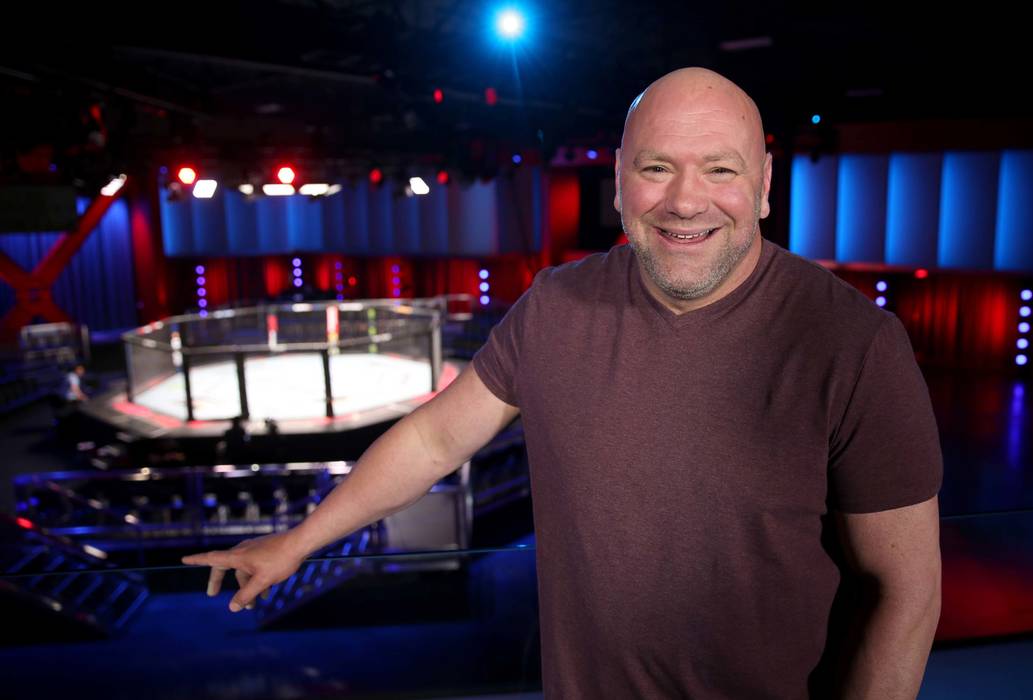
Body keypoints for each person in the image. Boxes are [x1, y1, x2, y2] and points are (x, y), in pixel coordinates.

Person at [184, 68, 942, 699]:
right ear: (618, 181)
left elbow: (905, 593)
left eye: (720, 168)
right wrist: (300, 541)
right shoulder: (554, 308)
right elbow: (434, 437)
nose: (685, 199)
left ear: (765, 186)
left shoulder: (853, 344)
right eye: (656, 167)